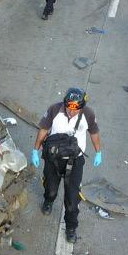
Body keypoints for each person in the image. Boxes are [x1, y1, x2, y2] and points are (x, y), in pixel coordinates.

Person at [31, 87, 103, 244]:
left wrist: (98, 151)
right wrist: (35, 150)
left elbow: (94, 132)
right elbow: (43, 130)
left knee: (72, 199)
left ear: (82, 107)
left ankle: (71, 227)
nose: (71, 112)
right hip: (53, 158)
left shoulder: (88, 114)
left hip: (75, 161)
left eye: (75, 109)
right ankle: (48, 201)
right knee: (51, 188)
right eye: (69, 108)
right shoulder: (54, 110)